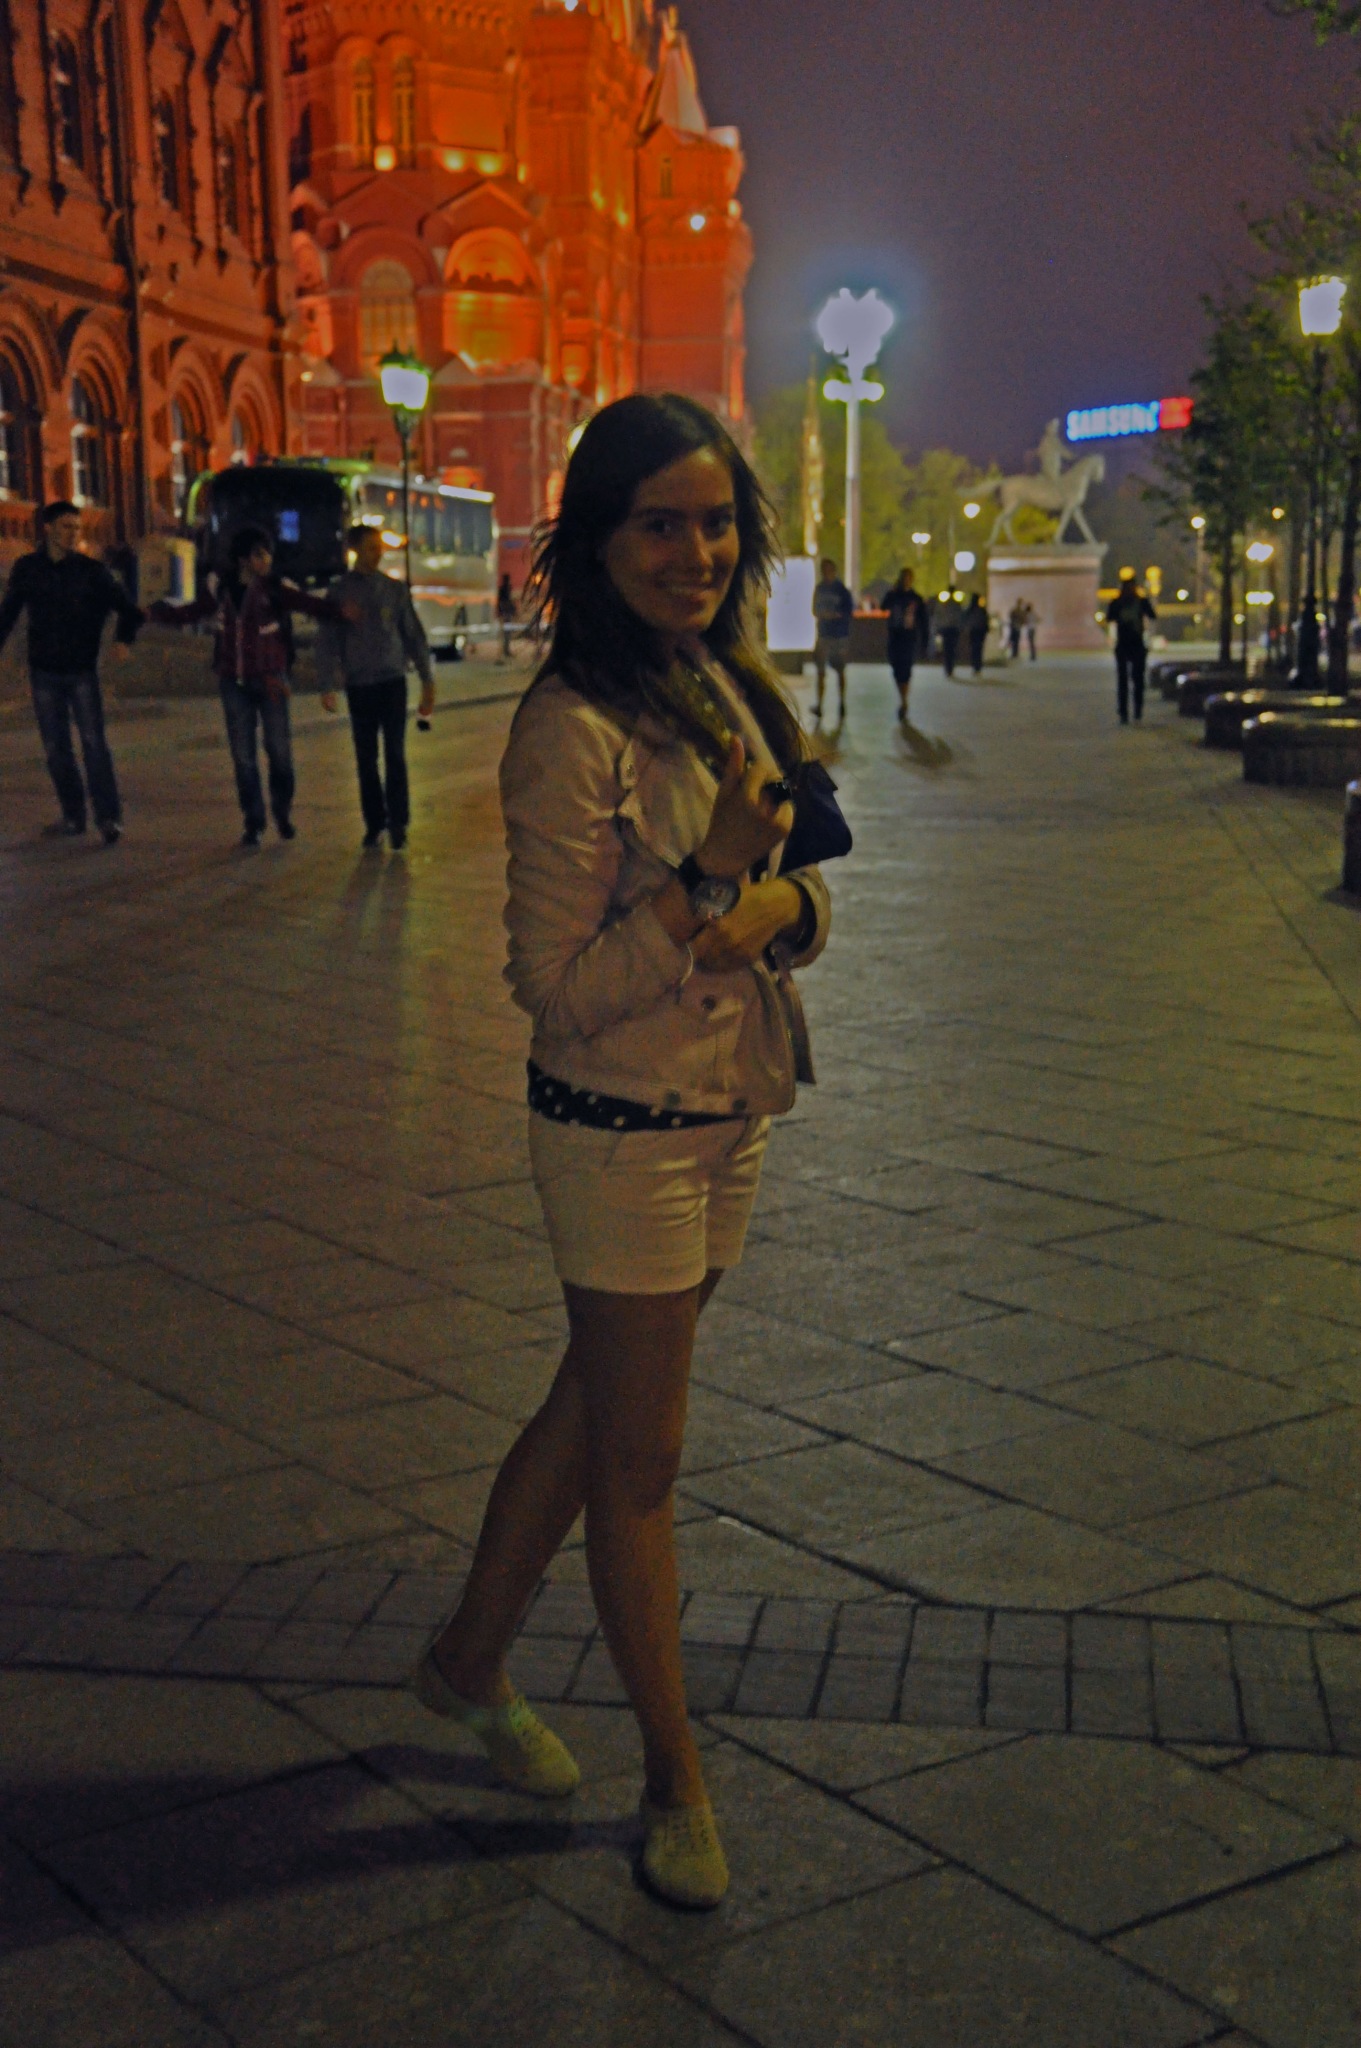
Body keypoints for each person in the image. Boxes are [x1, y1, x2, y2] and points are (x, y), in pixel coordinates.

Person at [415, 393, 831, 1913]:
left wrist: (784, 906)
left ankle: (467, 1660)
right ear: (596, 539)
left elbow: (805, 893)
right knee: (639, 1466)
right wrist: (708, 885)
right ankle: (675, 1779)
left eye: (715, 523)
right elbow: (554, 991)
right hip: (622, 1135)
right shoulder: (568, 729)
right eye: (660, 523)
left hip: (727, 1113)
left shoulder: (722, 679)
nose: (694, 553)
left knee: (594, 1409)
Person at [150, 525, 349, 846]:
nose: (265, 560)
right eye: (258, 554)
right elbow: (194, 611)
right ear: (243, 558)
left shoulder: (277, 588)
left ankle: (282, 811)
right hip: (233, 681)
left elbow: (310, 605)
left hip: (272, 680)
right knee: (243, 756)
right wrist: (156, 613)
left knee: (279, 752)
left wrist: (342, 611)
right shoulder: (220, 587)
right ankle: (253, 821)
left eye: (268, 554)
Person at [0, 500, 144, 843]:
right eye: (66, 526)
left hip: (81, 671)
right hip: (44, 672)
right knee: (55, 748)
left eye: (77, 528)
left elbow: (129, 609)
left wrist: (123, 640)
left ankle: (108, 818)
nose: (73, 534)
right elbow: (8, 613)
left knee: (94, 744)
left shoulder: (92, 572)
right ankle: (73, 816)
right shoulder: (28, 569)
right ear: (48, 529)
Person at [318, 525, 435, 851]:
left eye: (379, 547)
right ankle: (374, 823)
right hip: (360, 685)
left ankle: (399, 823)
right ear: (355, 550)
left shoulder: (394, 590)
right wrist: (327, 684)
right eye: (371, 547)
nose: (378, 553)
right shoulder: (339, 592)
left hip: (392, 682)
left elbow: (413, 634)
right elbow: (327, 640)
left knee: (395, 754)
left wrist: (427, 678)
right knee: (366, 758)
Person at [1105, 571, 1157, 723]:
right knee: (1125, 680)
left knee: (1136, 679)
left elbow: (1152, 615)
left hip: (1134, 644)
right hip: (1126, 644)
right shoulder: (1121, 602)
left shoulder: (1137, 602)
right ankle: (1125, 712)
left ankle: (1135, 710)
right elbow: (1110, 617)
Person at [811, 555, 852, 722]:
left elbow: (848, 611)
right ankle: (820, 704)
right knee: (821, 672)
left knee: (840, 670)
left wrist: (834, 615)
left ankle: (842, 702)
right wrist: (823, 615)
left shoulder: (841, 590)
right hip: (824, 634)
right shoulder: (819, 589)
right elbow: (814, 609)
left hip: (838, 635)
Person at [885, 566, 928, 722]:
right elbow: (884, 606)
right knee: (896, 669)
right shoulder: (893, 595)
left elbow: (923, 620)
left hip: (909, 638)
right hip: (895, 636)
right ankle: (902, 697)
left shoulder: (916, 598)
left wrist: (924, 641)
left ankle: (903, 700)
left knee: (906, 669)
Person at [936, 586, 965, 676]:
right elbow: (959, 617)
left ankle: (948, 668)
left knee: (947, 649)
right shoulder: (956, 604)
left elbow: (940, 617)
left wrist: (939, 627)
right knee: (951, 649)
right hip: (952, 629)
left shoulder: (945, 604)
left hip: (947, 628)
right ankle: (950, 668)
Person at [963, 592, 989, 675]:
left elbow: (964, 620)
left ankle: (975, 665)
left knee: (974, 649)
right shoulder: (982, 610)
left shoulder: (969, 610)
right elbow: (985, 621)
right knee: (979, 649)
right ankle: (978, 666)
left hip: (973, 631)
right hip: (980, 631)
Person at [496, 571, 517, 661]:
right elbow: (508, 601)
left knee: (506, 633)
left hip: (505, 613)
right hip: (506, 613)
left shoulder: (503, 589)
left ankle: (506, 649)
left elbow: (501, 601)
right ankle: (505, 650)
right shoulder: (506, 589)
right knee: (506, 633)